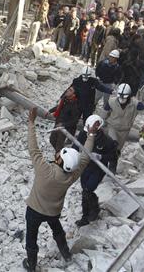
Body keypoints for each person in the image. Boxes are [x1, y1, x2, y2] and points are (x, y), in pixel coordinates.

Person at [23, 108, 96, 272]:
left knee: (31, 237)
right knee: (57, 230)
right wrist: (91, 135)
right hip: (53, 212)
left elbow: (33, 149)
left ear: (59, 159)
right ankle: (66, 254)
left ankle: (32, 265)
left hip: (34, 210)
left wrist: (31, 122)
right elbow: (85, 156)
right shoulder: (72, 175)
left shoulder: (45, 170)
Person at [73, 115, 118, 227]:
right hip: (85, 166)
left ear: (98, 127)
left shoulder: (107, 140)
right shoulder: (83, 135)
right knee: (85, 190)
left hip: (98, 168)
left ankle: (90, 213)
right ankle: (88, 213)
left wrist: (101, 157)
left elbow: (113, 156)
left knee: (89, 188)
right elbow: (75, 146)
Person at [102, 83, 144, 171]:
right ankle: (108, 170)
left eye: (124, 97)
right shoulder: (111, 101)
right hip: (113, 127)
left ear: (129, 96)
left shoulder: (135, 104)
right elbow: (103, 114)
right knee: (113, 146)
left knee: (118, 151)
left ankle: (111, 166)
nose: (121, 99)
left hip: (125, 130)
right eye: (120, 96)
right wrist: (101, 124)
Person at [47, 86, 80, 153]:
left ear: (73, 95)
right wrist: (50, 110)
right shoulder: (65, 99)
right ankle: (60, 154)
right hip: (57, 123)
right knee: (52, 140)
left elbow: (75, 121)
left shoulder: (75, 106)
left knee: (59, 146)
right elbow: (59, 107)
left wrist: (63, 124)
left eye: (70, 90)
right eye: (68, 89)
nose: (67, 90)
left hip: (64, 128)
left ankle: (60, 160)